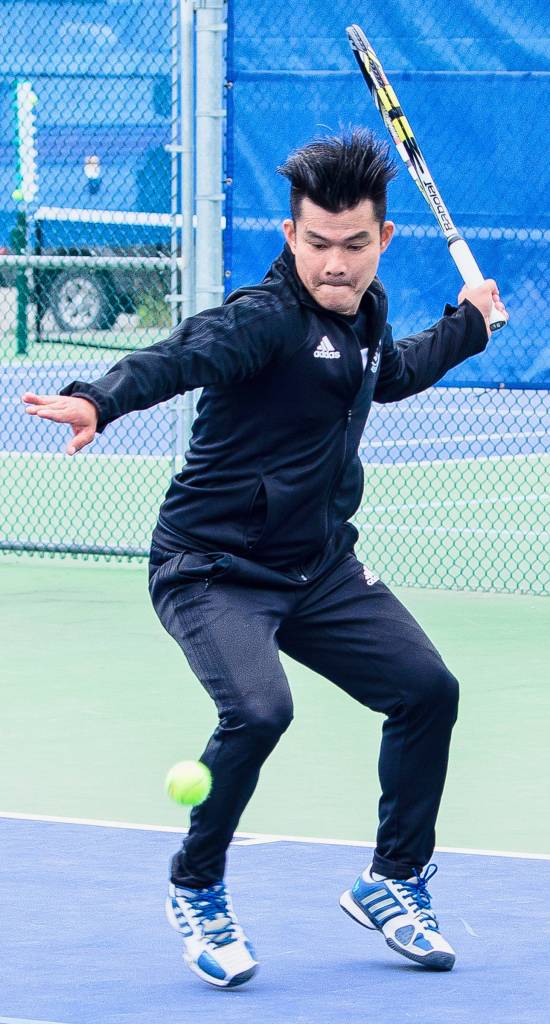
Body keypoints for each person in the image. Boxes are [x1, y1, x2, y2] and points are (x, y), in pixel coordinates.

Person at [22, 129, 507, 988]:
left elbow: (382, 373)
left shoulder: (369, 311)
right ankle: (197, 883)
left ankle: (394, 879)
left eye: (354, 245)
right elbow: (181, 356)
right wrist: (100, 397)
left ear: (381, 242)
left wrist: (466, 325)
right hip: (210, 568)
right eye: (316, 243)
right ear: (291, 237)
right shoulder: (263, 320)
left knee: (429, 691)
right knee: (259, 709)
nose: (334, 263)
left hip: (315, 566)